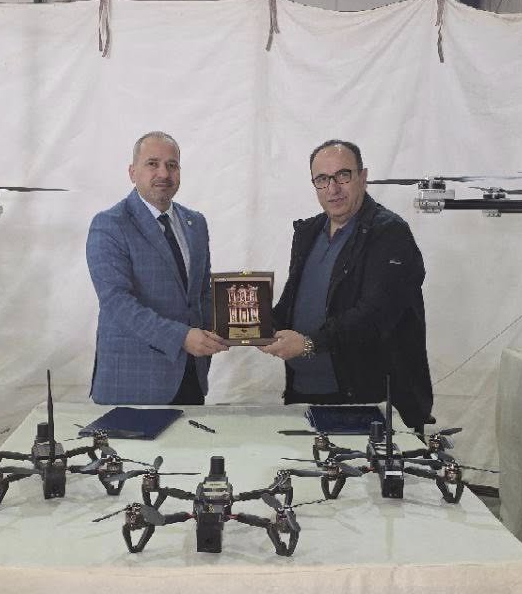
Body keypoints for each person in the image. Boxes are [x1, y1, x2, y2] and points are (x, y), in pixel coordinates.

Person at [260, 139, 433, 430]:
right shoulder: (308, 232)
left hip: (366, 399)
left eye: (343, 175)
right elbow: (292, 303)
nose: (333, 188)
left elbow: (375, 314)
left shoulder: (390, 233)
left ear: (363, 177)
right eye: (322, 179)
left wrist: (310, 344)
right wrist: (251, 327)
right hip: (303, 393)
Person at [86, 131, 227, 405]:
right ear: (132, 172)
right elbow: (117, 302)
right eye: (153, 163)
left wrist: (233, 329)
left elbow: (202, 293)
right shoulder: (110, 224)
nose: (164, 173)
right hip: (133, 383)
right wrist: (182, 337)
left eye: (172, 165)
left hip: (191, 375)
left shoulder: (195, 223)